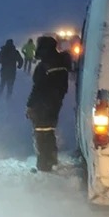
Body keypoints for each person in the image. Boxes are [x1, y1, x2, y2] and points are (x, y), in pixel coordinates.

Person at [25, 35, 72, 172]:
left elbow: (37, 87)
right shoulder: (60, 63)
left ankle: (44, 163)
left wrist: (30, 105)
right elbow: (63, 87)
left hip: (42, 104)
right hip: (55, 103)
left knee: (41, 131)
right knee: (48, 130)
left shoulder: (44, 65)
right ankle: (51, 158)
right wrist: (56, 99)